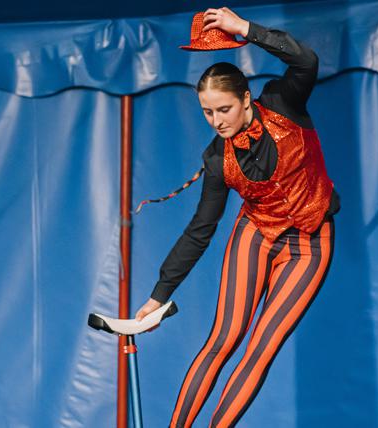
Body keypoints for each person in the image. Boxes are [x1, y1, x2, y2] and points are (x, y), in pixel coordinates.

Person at [134, 7, 341, 427]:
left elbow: (306, 61)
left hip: (309, 242)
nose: (217, 121)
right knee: (223, 340)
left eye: (224, 109)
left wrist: (245, 29)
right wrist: (159, 294)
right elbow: (200, 230)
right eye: (207, 112)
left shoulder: (283, 103)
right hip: (257, 233)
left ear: (246, 99)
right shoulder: (216, 158)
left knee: (260, 348)